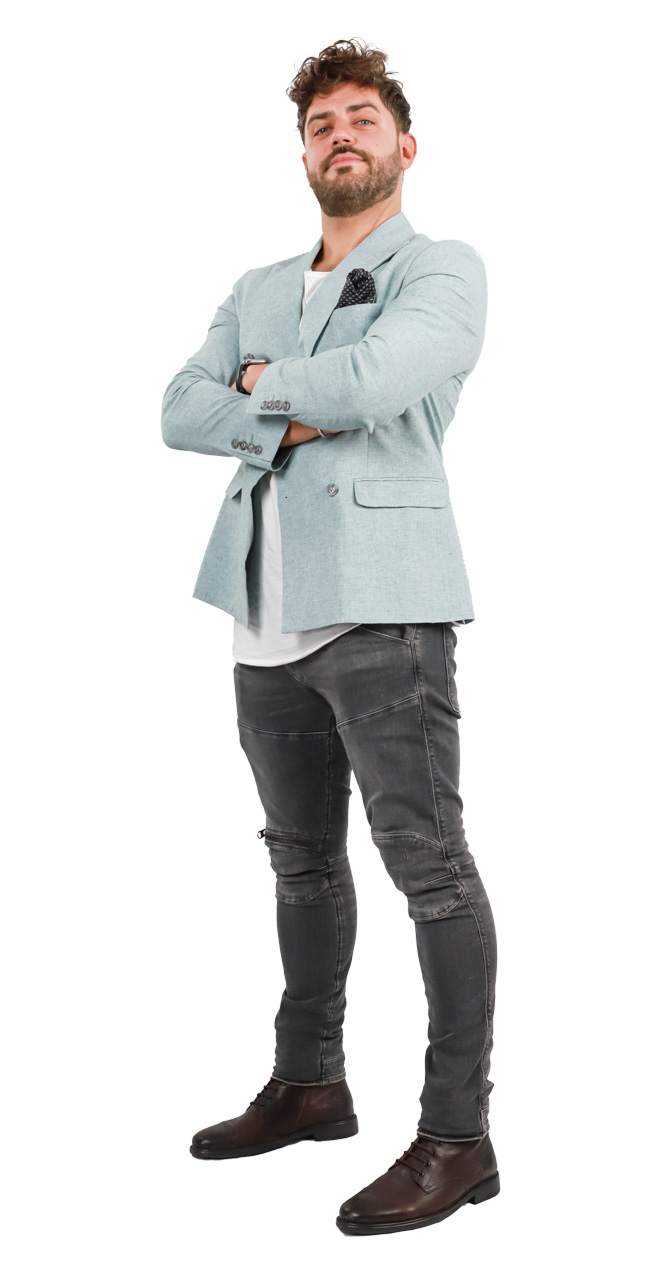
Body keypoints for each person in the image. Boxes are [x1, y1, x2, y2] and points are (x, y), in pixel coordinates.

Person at [161, 37, 499, 1236]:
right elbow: (177, 408)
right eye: (318, 124)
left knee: (429, 866)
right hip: (263, 615)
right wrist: (293, 396)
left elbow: (378, 381)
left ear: (402, 144)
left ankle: (456, 1136)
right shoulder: (258, 284)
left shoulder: (438, 268)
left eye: (359, 118)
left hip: (381, 606)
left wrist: (259, 389)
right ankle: (310, 1084)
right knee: (297, 862)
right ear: (302, 153)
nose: (338, 135)